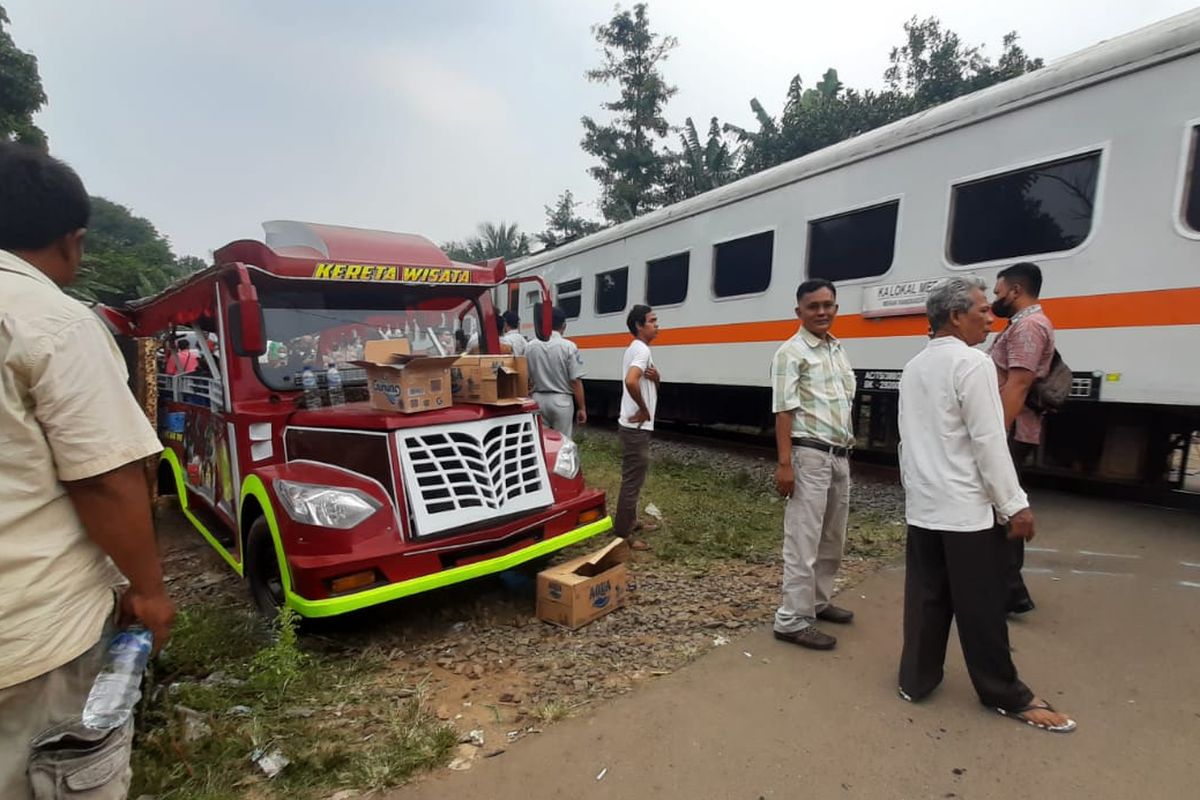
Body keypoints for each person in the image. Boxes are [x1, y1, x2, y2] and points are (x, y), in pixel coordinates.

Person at [0, 143, 176, 796]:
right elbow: (103, 478)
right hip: (35, 640)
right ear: (72, 243)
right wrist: (150, 592)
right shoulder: (52, 322)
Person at [897, 276, 1075, 733]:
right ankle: (1002, 692)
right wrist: (1016, 505)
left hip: (925, 506)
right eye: (980, 310)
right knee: (981, 606)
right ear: (955, 316)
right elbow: (989, 440)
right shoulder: (972, 364)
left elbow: (907, 444)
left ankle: (915, 680)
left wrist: (916, 494)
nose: (989, 317)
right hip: (964, 509)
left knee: (927, 597)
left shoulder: (914, 367)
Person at [770, 279, 856, 651]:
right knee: (803, 540)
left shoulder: (836, 349)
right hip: (809, 455)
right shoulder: (790, 353)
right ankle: (791, 619)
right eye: (813, 306)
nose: (822, 312)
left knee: (832, 538)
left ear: (836, 307)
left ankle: (817, 603)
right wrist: (785, 464)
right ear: (799, 312)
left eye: (828, 305)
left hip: (839, 455)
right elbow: (784, 412)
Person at [989, 261, 1055, 615]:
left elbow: (1019, 384)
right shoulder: (1024, 324)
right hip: (1011, 429)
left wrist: (994, 435)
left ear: (1016, 290)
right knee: (1001, 507)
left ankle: (1011, 591)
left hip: (1011, 430)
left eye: (998, 292)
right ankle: (1008, 589)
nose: (995, 299)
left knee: (1005, 507)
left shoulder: (1028, 327)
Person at [614, 304, 661, 551]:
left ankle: (630, 520)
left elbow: (640, 381)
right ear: (639, 326)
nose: (657, 325)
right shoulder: (641, 350)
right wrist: (643, 409)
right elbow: (631, 381)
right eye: (652, 321)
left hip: (634, 426)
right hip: (636, 427)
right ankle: (623, 534)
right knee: (632, 481)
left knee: (634, 478)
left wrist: (656, 378)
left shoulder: (636, 348)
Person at [525, 306, 586, 437]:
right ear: (563, 325)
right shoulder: (569, 346)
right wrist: (581, 408)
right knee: (563, 442)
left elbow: (525, 377)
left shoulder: (530, 346)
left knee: (540, 440)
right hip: (562, 401)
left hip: (538, 399)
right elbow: (575, 381)